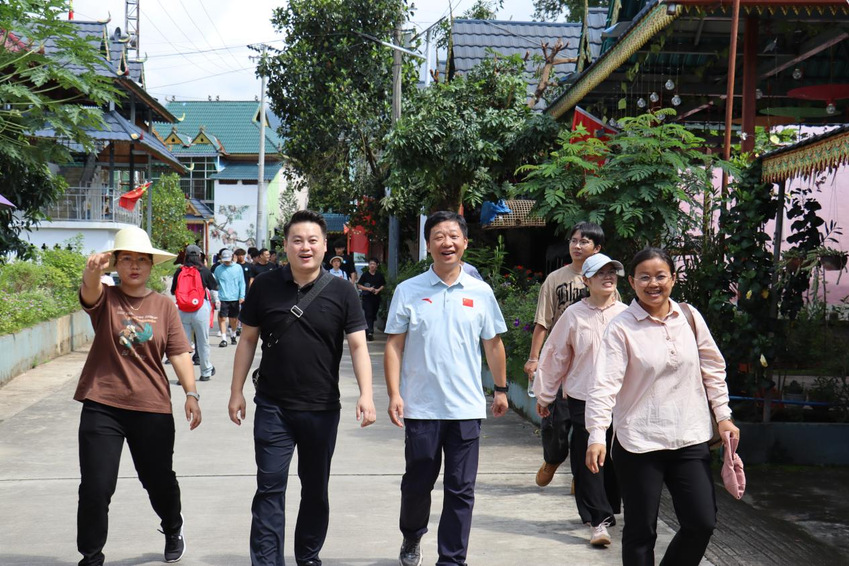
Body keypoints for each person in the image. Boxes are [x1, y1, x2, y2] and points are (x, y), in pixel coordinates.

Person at [228, 210, 377, 566]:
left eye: (312, 241)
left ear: (325, 246)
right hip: (273, 406)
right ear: (286, 246)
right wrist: (236, 392)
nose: (305, 247)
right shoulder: (264, 286)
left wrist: (367, 395)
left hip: (321, 408)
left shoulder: (343, 291)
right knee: (269, 487)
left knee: (315, 490)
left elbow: (358, 345)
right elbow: (247, 340)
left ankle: (308, 557)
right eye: (297, 240)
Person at [585, 247, 740, 566]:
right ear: (631, 282)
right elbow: (604, 385)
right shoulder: (621, 327)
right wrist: (597, 435)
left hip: (689, 436)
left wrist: (723, 416)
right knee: (641, 531)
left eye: (660, 276)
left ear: (673, 279)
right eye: (644, 277)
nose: (653, 284)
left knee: (701, 522)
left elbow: (712, 367)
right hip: (638, 442)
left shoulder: (689, 317)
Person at [384, 210, 509, 566]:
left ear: (465, 243)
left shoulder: (480, 292)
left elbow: (493, 344)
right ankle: (412, 534)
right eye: (438, 236)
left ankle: (452, 559)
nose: (446, 243)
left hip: (466, 408)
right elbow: (394, 345)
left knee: (461, 488)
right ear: (427, 245)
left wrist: (501, 389)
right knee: (417, 483)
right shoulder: (409, 290)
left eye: (453, 236)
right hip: (421, 407)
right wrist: (394, 394)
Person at [75, 226, 202, 565]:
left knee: (157, 480)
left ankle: (172, 525)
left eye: (142, 260)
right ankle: (91, 556)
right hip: (102, 404)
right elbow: (89, 292)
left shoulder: (164, 306)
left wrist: (191, 393)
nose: (134, 266)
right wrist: (92, 272)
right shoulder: (106, 297)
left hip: (151, 407)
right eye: (127, 259)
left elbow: (179, 352)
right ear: (116, 264)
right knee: (96, 486)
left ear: (150, 265)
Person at [534, 253, 626, 547]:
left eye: (611, 272)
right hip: (583, 398)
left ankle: (607, 510)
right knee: (589, 458)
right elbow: (555, 356)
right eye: (600, 273)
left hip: (622, 400)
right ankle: (598, 520)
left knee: (615, 458)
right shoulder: (574, 315)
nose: (608, 277)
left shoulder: (628, 315)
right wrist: (545, 395)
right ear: (586, 280)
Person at [525, 221, 607, 487]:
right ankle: (553, 458)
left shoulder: (606, 281)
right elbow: (542, 321)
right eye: (574, 240)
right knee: (556, 422)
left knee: (588, 424)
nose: (577, 246)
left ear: (597, 248)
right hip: (562, 363)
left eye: (584, 241)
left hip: (591, 364)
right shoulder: (555, 279)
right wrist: (534, 358)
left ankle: (579, 476)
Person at [171, 245, 219, 381]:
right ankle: (206, 372)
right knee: (203, 342)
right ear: (199, 256)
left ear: (186, 256)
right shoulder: (204, 270)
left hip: (182, 310)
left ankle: (183, 376)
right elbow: (214, 288)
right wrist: (216, 303)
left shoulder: (179, 271)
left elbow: (173, 291)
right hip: (200, 309)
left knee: (183, 345)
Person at [213, 249, 246, 348]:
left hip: (235, 297)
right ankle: (224, 339)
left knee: (233, 319)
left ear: (231, 257)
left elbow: (241, 282)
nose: (226, 262)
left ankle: (233, 334)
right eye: (224, 260)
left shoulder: (238, 268)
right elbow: (215, 283)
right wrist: (216, 297)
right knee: (222, 318)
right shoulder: (218, 269)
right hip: (223, 297)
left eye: (228, 259)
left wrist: (241, 296)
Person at [356, 257, 386, 341]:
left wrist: (378, 290)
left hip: (376, 298)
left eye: (374, 264)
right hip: (367, 297)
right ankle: (370, 332)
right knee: (368, 314)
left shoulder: (379, 275)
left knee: (373, 315)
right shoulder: (365, 275)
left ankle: (368, 330)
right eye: (370, 264)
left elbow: (383, 285)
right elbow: (359, 285)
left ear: (377, 265)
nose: (372, 265)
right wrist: (368, 289)